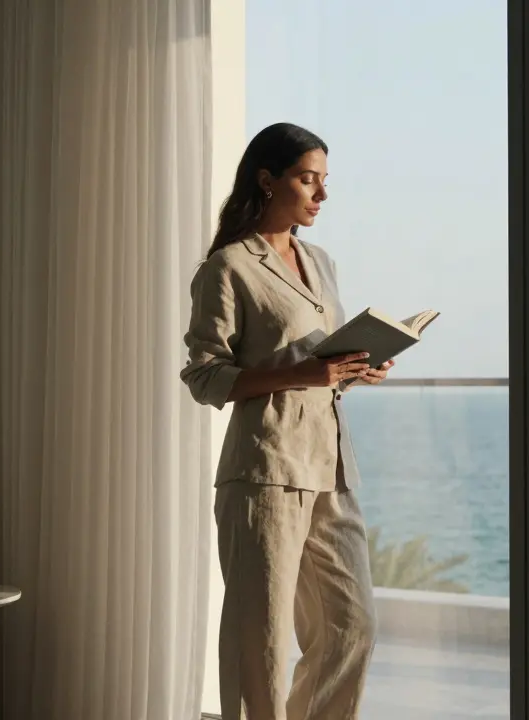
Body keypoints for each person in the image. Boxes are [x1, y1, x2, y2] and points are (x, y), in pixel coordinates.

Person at [180, 122, 392, 719]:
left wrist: (356, 368)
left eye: (324, 182)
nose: (320, 195)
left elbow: (318, 364)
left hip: (331, 467)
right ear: (267, 180)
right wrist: (305, 375)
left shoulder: (319, 262)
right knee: (263, 645)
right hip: (265, 471)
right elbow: (204, 377)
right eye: (308, 180)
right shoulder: (227, 268)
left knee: (352, 628)